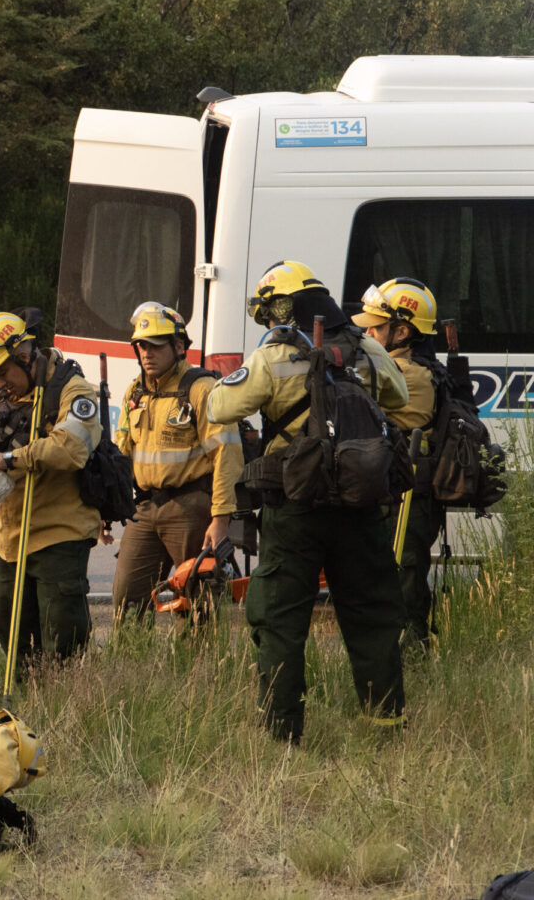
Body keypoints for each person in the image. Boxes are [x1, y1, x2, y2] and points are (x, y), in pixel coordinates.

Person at [207, 259, 409, 743]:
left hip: (295, 507)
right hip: (360, 507)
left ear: (284, 307)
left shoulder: (275, 357)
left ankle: (282, 734)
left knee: (280, 620)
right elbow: (399, 397)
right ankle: (386, 727)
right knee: (373, 615)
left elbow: (219, 406)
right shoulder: (368, 349)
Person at [0, 310, 101, 667]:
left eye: (3, 373)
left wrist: (7, 459)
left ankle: (67, 708)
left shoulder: (72, 390)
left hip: (57, 535)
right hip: (8, 541)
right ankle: (25, 707)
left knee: (63, 639)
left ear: (25, 356)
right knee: (10, 636)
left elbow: (71, 448)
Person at [109, 302, 242, 626]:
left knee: (198, 601)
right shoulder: (135, 391)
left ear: (179, 346)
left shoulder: (202, 389)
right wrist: (107, 506)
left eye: (155, 345)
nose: (146, 353)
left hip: (190, 508)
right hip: (144, 508)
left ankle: (199, 670)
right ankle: (128, 668)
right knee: (126, 600)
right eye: (141, 346)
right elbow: (120, 451)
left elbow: (227, 456)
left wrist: (221, 519)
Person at [352, 277, 444, 649]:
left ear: (402, 330)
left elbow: (358, 396)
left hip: (412, 495)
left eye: (375, 326)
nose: (367, 332)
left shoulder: (412, 374)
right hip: (398, 489)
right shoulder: (396, 364)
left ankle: (412, 652)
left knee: (404, 574)